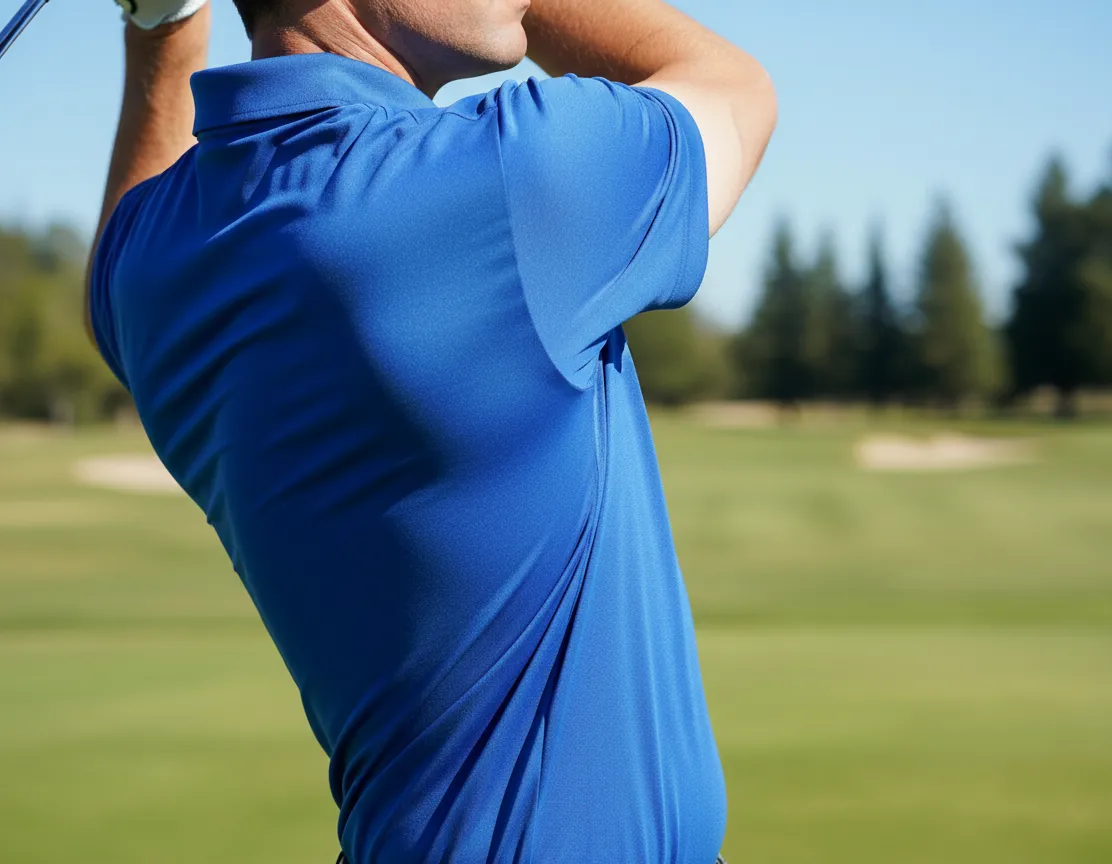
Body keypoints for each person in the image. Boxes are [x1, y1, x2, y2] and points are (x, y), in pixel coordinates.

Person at [85, 0, 776, 858]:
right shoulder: (503, 178)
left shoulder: (150, 269)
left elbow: (117, 247)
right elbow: (738, 89)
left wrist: (161, 22)